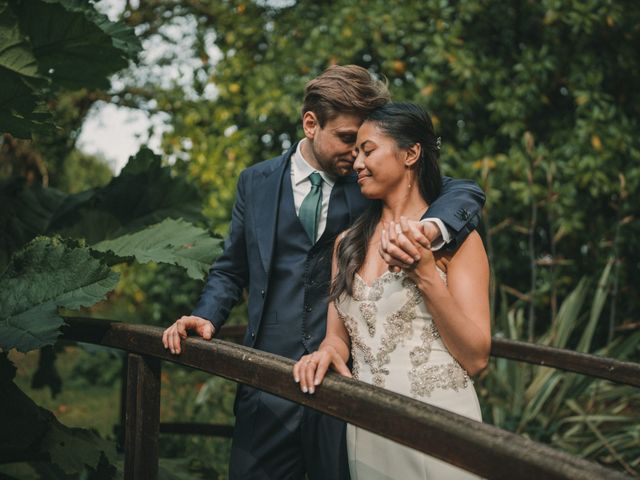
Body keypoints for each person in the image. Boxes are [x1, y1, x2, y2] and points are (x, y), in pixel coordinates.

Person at [162, 66, 485, 479]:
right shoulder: (255, 182)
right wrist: (205, 316)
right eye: (349, 139)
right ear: (311, 124)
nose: (357, 155)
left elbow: (463, 191)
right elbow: (230, 269)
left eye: (366, 145)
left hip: (344, 388)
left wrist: (429, 231)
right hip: (267, 385)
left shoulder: (372, 179)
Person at [293, 103, 491, 479]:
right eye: (356, 154)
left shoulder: (457, 243)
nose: (357, 164)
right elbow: (337, 340)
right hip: (366, 428)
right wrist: (323, 354)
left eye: (368, 150)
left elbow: (477, 357)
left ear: (411, 153)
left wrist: (427, 275)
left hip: (440, 421)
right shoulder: (346, 244)